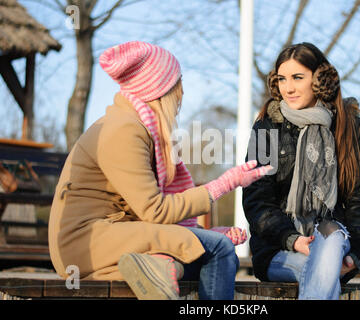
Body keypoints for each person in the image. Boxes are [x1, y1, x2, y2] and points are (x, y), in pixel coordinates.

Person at [48, 41, 271, 300]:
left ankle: (159, 267)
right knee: (219, 249)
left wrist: (201, 234)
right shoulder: (123, 130)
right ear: (158, 88)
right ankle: (162, 266)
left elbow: (148, 212)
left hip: (114, 235)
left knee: (198, 255)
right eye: (178, 83)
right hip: (86, 243)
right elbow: (155, 210)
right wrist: (223, 185)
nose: (182, 92)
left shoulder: (136, 127)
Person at [242, 42, 360, 300]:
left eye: (297, 77)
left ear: (319, 80)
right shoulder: (266, 127)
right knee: (322, 272)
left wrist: (356, 256)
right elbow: (256, 199)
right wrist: (292, 239)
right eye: (282, 79)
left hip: (334, 243)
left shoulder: (351, 128)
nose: (288, 87)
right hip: (278, 249)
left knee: (331, 236)